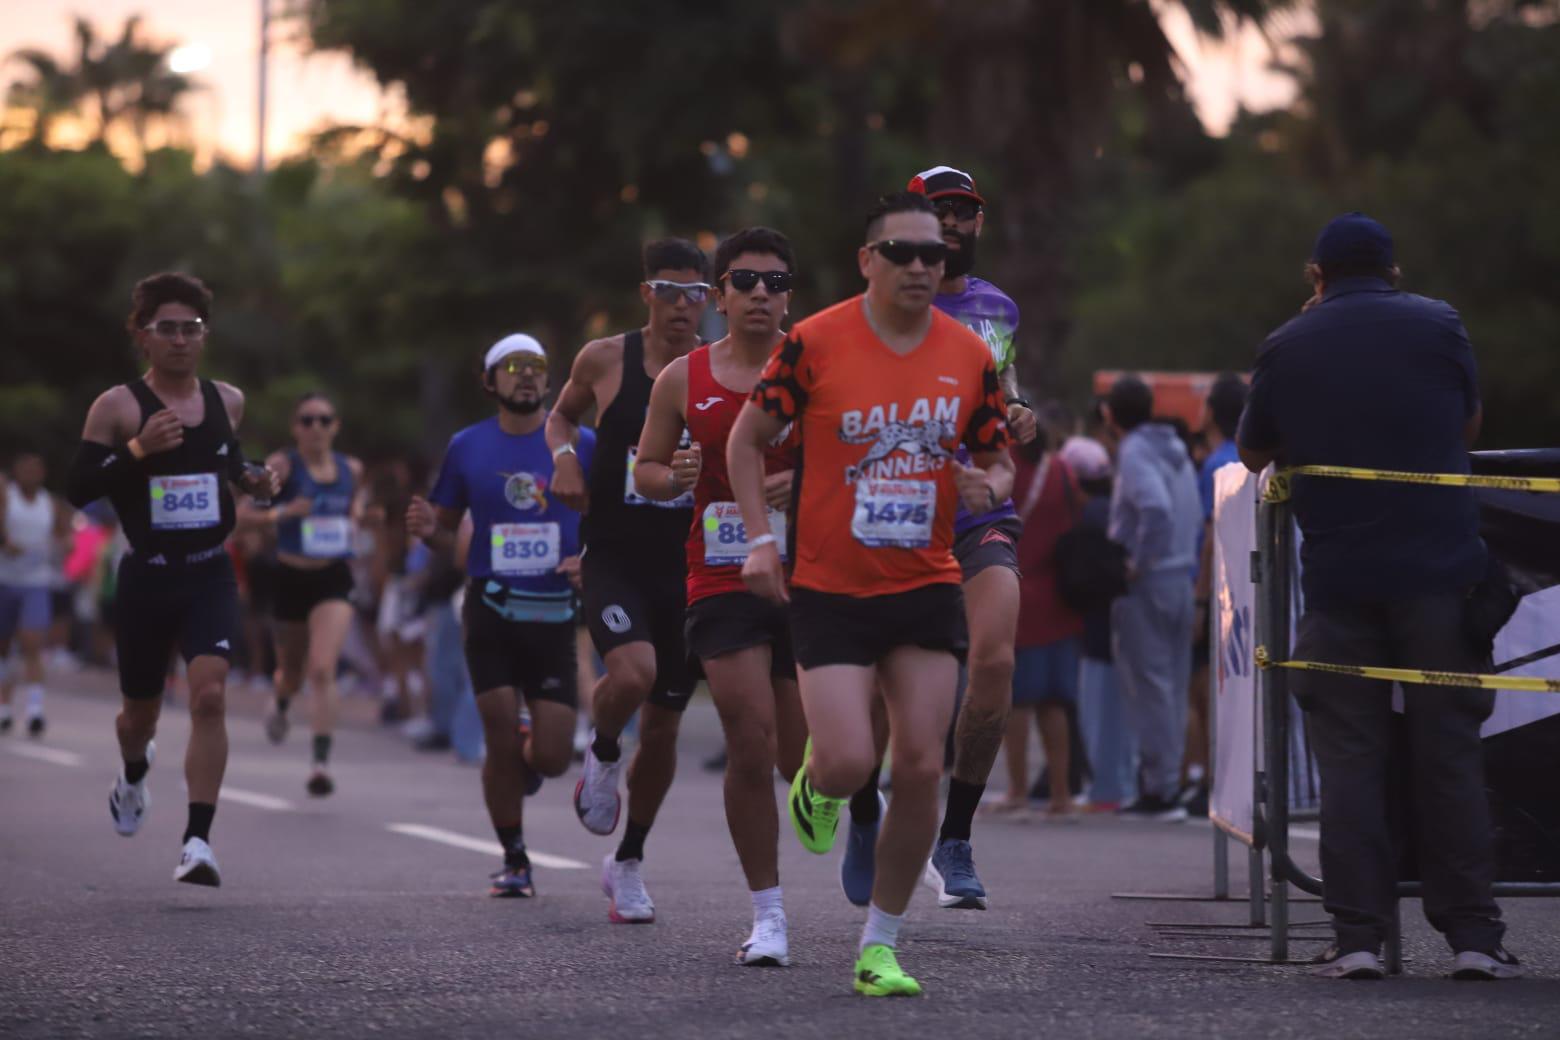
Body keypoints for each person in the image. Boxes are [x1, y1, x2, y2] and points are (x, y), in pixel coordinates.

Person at [729, 191, 1012, 997]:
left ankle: (879, 946)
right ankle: (820, 782)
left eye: (934, 255)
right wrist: (760, 541)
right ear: (868, 261)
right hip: (831, 587)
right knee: (852, 761)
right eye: (902, 252)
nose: (921, 266)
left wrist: (989, 486)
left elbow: (998, 459)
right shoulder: (814, 343)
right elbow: (747, 441)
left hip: (926, 583)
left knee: (920, 764)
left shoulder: (969, 354)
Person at [1238, 212, 1518, 981]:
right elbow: (1467, 424)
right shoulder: (1440, 324)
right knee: (1449, 757)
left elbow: (1252, 451)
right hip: (1443, 578)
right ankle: (1473, 938)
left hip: (1340, 583)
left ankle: (1358, 938)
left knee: (1351, 764)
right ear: (1393, 269)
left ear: (1316, 275)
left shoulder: (1288, 342)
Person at [838, 165, 1039, 913]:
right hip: (896, 513)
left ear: (979, 223)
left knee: (995, 659)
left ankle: (955, 838)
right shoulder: (876, 309)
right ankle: (865, 812)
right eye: (938, 211)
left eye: (964, 211)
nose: (951, 224)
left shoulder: (998, 309)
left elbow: (1003, 386)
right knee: (878, 693)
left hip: (978, 514)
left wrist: (1017, 412)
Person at [64, 272, 279, 887]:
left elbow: (227, 464)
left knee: (210, 696)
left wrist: (256, 479)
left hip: (210, 571)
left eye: (192, 328)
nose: (181, 340)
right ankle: (134, 772)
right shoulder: (117, 406)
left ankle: (197, 841)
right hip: (147, 576)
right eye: (168, 329)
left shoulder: (227, 400)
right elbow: (79, 487)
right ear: (143, 335)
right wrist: (136, 450)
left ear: (204, 335)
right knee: (139, 717)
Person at [635, 227, 804, 965]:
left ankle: (856, 803)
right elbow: (645, 470)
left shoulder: (817, 365)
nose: (761, 293)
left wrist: (800, 482)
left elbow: (855, 454)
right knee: (749, 737)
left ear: (790, 296)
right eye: (745, 281)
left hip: (810, 574)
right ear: (720, 295)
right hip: (722, 571)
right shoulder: (683, 377)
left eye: (776, 282)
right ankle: (768, 914)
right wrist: (670, 477)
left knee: (808, 758)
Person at [547, 238, 707, 923]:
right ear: (647, 293)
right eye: (670, 291)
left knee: (665, 730)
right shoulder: (605, 358)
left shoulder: (718, 369)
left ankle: (629, 862)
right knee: (633, 674)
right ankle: (605, 748)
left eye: (696, 294)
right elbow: (562, 415)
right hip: (613, 555)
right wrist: (565, 458)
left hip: (688, 565)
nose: (682, 306)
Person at [408, 333, 590, 898]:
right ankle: (514, 857)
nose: (526, 375)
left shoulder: (581, 444)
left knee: (553, 757)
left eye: (535, 365)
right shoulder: (467, 446)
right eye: (512, 367)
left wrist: (590, 558)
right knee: (496, 730)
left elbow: (612, 518)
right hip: (490, 608)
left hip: (554, 612)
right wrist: (428, 532)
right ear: (489, 382)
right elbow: (445, 533)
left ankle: (530, 751)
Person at [250, 393, 363, 796]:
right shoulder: (283, 466)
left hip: (333, 576)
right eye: (307, 420)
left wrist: (360, 520)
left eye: (324, 420)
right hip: (290, 576)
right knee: (292, 674)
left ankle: (320, 763)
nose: (316, 427)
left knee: (322, 669)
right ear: (295, 427)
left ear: (336, 426)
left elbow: (354, 512)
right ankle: (282, 700)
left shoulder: (352, 469)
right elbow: (242, 516)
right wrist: (281, 513)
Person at [1104, 374, 1201, 822]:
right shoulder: (1175, 448)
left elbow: (1156, 508)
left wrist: (1139, 562)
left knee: (1149, 687)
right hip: (1181, 577)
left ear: (1110, 414)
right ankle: (1169, 782)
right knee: (1173, 686)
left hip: (1149, 583)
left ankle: (1159, 789)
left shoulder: (1135, 451)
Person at [999, 426, 1085, 818]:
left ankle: (1017, 789)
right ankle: (1061, 793)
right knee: (1055, 701)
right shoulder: (1062, 469)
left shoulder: (1007, 468)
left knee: (1017, 701)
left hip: (1017, 593)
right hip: (1060, 596)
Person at [1185, 373, 1250, 810]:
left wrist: (1200, 598)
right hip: (1244, 586)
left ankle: (1208, 774)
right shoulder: (1243, 458)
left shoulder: (1214, 465)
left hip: (1215, 590)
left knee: (1203, 688)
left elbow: (1210, 535)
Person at [1062, 436, 1137, 810]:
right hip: (1123, 625)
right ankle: (1119, 784)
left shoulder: (1089, 518)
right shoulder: (1114, 508)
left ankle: (1107, 788)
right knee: (1122, 712)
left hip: (1097, 630)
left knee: (1100, 711)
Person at [0, 453, 71, 736]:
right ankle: (4, 708)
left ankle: (34, 710)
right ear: (16, 472)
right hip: (5, 581)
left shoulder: (49, 503)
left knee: (32, 644)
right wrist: (6, 543)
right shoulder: (6, 498)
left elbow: (64, 535)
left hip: (36, 583)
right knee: (4, 648)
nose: (30, 474)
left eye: (35, 470)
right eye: (25, 470)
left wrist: (65, 543)